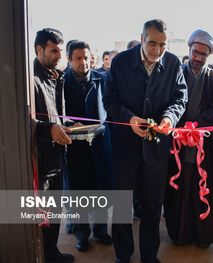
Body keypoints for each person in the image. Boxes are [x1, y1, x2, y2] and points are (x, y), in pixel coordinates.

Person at [103, 19, 187, 263]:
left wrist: (170, 118)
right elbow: (109, 101)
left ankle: (149, 256)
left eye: (162, 45)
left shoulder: (172, 63)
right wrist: (129, 119)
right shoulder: (120, 62)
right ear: (141, 39)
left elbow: (180, 99)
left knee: (153, 205)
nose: (157, 50)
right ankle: (123, 255)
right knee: (121, 205)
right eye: (152, 43)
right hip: (125, 147)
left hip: (158, 147)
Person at [164, 29, 213, 248]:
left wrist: (195, 128)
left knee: (201, 190)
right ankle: (180, 234)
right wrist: (182, 130)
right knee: (180, 189)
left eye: (203, 54)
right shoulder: (176, 73)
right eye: (195, 52)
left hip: (203, 145)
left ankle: (203, 236)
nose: (198, 57)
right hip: (178, 143)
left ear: (209, 55)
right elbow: (170, 104)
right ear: (189, 50)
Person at [63, 41, 113, 252]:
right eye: (78, 58)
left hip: (100, 146)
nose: (83, 62)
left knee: (101, 188)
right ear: (69, 60)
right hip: (75, 148)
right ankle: (82, 234)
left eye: (86, 57)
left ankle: (101, 231)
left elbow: (110, 109)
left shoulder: (101, 79)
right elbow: (56, 112)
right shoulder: (62, 83)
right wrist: (67, 125)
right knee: (77, 192)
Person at [33, 28, 75, 263]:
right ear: (39, 50)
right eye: (54, 50)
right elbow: (23, 119)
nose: (59, 55)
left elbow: (57, 116)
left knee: (55, 209)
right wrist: (48, 128)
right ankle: (46, 255)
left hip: (58, 156)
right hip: (41, 159)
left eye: (61, 50)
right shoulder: (30, 79)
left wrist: (71, 124)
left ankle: (51, 252)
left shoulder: (55, 77)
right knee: (43, 213)